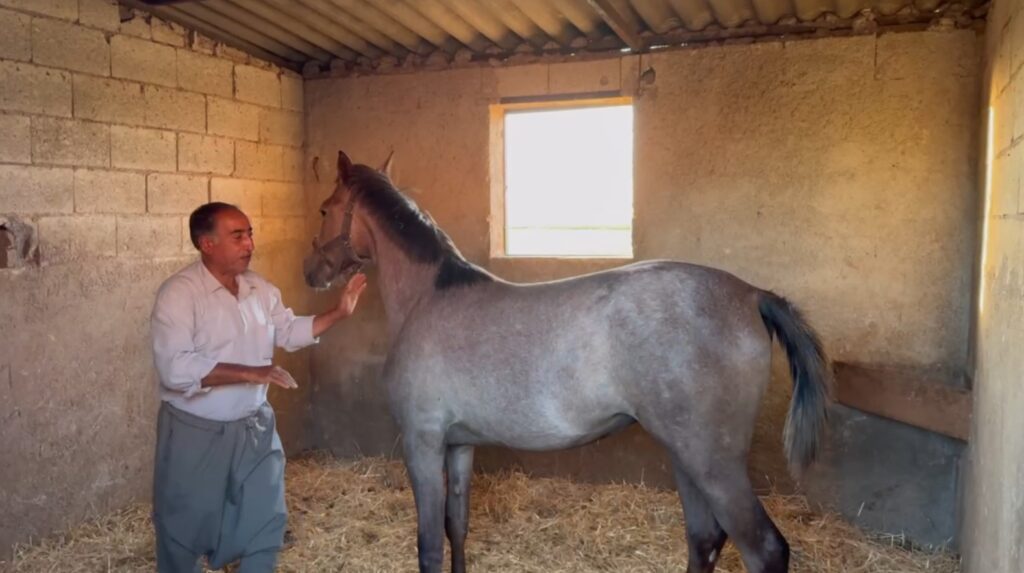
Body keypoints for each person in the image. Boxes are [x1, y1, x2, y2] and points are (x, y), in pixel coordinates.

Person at [149, 202, 367, 572]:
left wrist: (338, 312)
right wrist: (250, 372)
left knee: (265, 520)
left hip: (255, 428)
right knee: (183, 527)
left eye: (250, 234)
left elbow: (288, 330)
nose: (249, 243)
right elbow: (174, 369)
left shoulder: (260, 290)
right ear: (207, 244)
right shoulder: (179, 294)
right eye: (238, 236)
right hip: (196, 433)